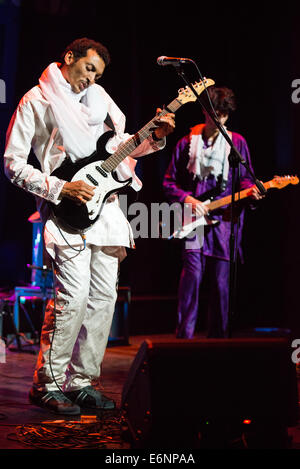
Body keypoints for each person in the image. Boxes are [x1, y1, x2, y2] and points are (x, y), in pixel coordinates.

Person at [4, 37, 175, 415]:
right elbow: (13, 164)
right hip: (69, 210)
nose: (91, 79)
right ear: (70, 58)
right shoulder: (37, 100)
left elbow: (118, 151)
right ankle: (47, 384)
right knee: (72, 299)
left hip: (107, 211)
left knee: (102, 301)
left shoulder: (100, 100)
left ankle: (81, 382)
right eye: (88, 69)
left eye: (98, 74)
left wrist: (155, 139)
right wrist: (61, 187)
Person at [163, 86, 262, 339]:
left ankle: (218, 341)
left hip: (225, 223)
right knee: (192, 279)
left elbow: (245, 180)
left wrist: (252, 191)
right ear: (205, 111)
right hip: (193, 220)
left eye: (224, 115)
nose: (219, 119)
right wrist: (187, 198)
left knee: (221, 285)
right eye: (214, 113)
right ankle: (184, 339)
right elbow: (168, 182)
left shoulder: (237, 142)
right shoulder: (187, 142)